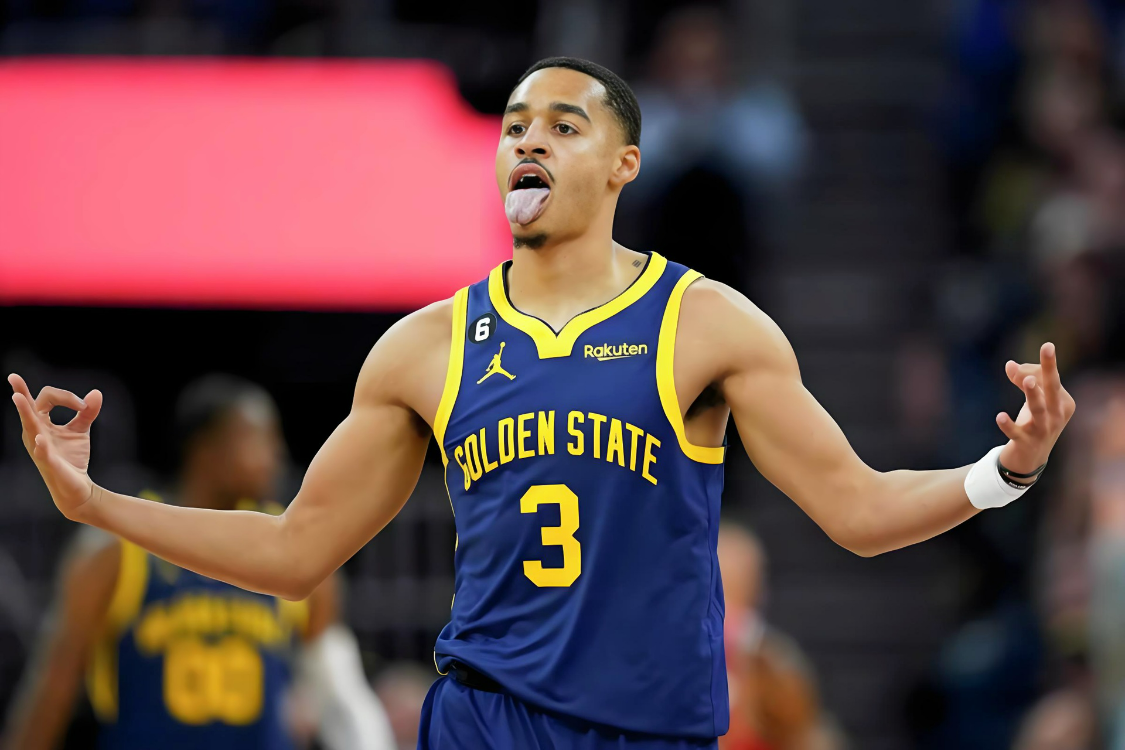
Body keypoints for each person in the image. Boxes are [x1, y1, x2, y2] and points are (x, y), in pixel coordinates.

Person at [8, 57, 1077, 749]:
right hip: (485, 719)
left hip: (648, 725)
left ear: (623, 165)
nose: (527, 141)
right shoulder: (426, 346)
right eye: (515, 124)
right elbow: (294, 551)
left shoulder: (706, 324)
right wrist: (97, 504)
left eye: (563, 127)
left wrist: (1007, 469)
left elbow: (858, 509)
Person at [1, 375, 393, 750]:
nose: (276, 454)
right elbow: (55, 686)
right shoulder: (116, 551)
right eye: (259, 437)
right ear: (206, 450)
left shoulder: (297, 548)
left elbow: (341, 694)